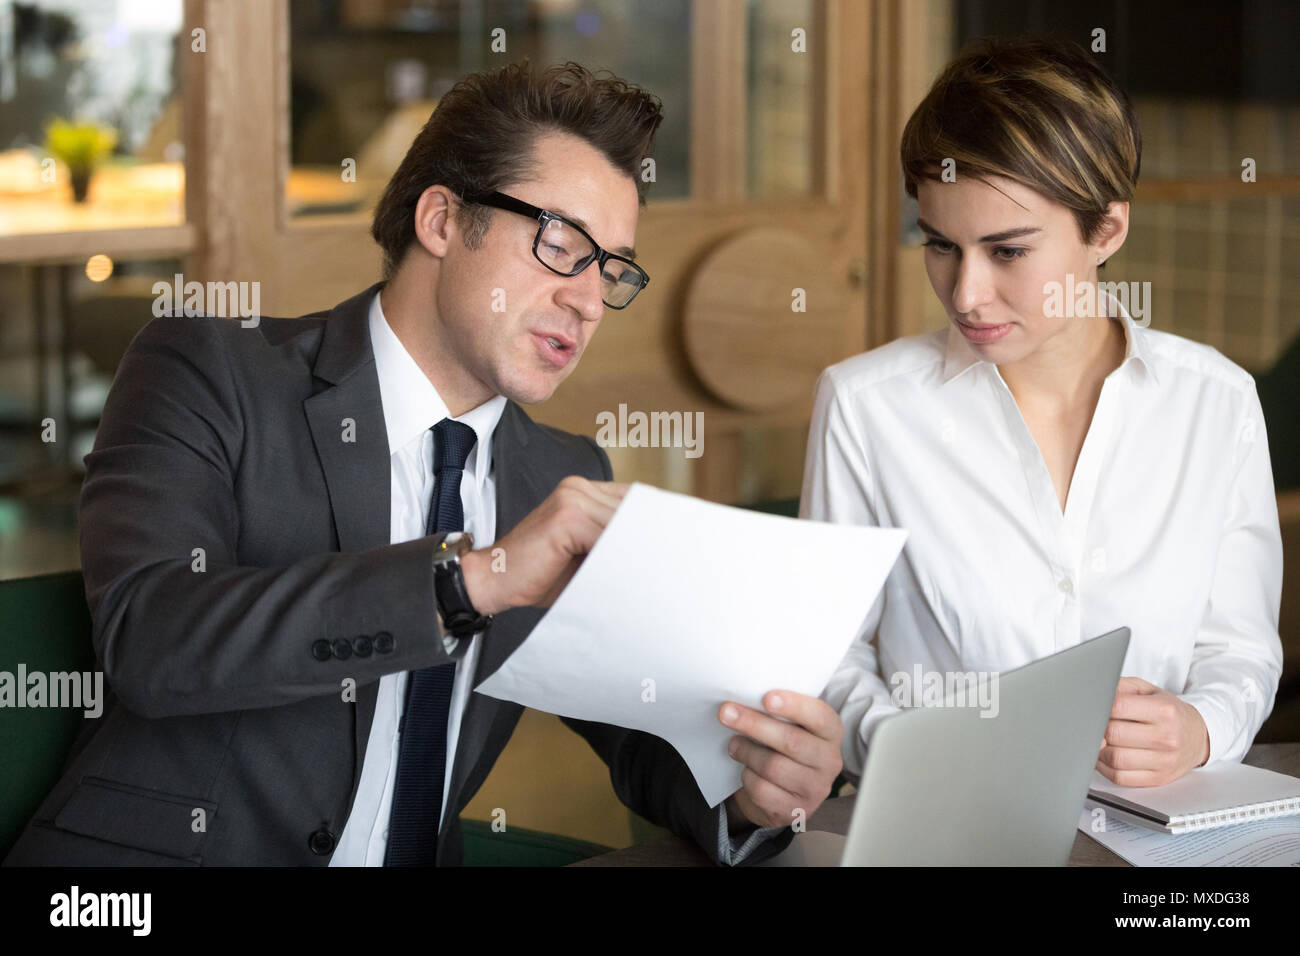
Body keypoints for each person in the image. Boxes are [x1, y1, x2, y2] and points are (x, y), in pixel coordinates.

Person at [5, 60, 842, 867]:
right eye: (562, 244)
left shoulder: (558, 475)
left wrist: (753, 795)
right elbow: (153, 639)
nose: (589, 300)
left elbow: (644, 734)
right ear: (441, 220)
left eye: (611, 268)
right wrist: (466, 582)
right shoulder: (211, 371)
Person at [803, 36, 1282, 789]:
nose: (965, 294)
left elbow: (1240, 650)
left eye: (1008, 252)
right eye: (939, 245)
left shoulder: (1216, 405)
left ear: (1107, 231)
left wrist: (1199, 728)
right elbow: (827, 657)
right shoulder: (866, 407)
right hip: (943, 827)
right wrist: (915, 751)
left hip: (1153, 838)